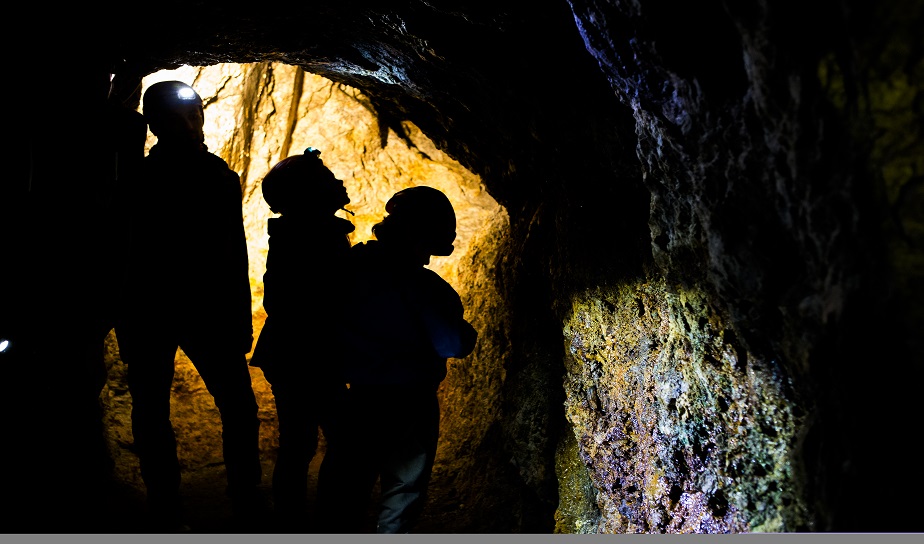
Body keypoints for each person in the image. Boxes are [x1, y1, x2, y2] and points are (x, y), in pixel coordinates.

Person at [114, 80, 263, 531]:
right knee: (234, 407)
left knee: (153, 408)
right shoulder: (213, 177)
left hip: (151, 310)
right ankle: (244, 501)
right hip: (199, 310)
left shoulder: (136, 178)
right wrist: (238, 319)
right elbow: (232, 255)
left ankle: (168, 504)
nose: (189, 122)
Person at [316, 185, 478, 534]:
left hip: (356, 395)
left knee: (345, 484)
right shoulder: (424, 286)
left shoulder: (349, 266)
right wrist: (467, 335)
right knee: (404, 487)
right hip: (410, 399)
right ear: (425, 237)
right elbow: (452, 343)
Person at [248, 147, 355, 530]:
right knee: (337, 438)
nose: (339, 182)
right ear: (310, 194)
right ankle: (323, 521)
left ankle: (294, 520)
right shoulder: (313, 236)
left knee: (300, 441)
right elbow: (312, 299)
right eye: (327, 178)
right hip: (307, 355)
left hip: (293, 353)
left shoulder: (299, 232)